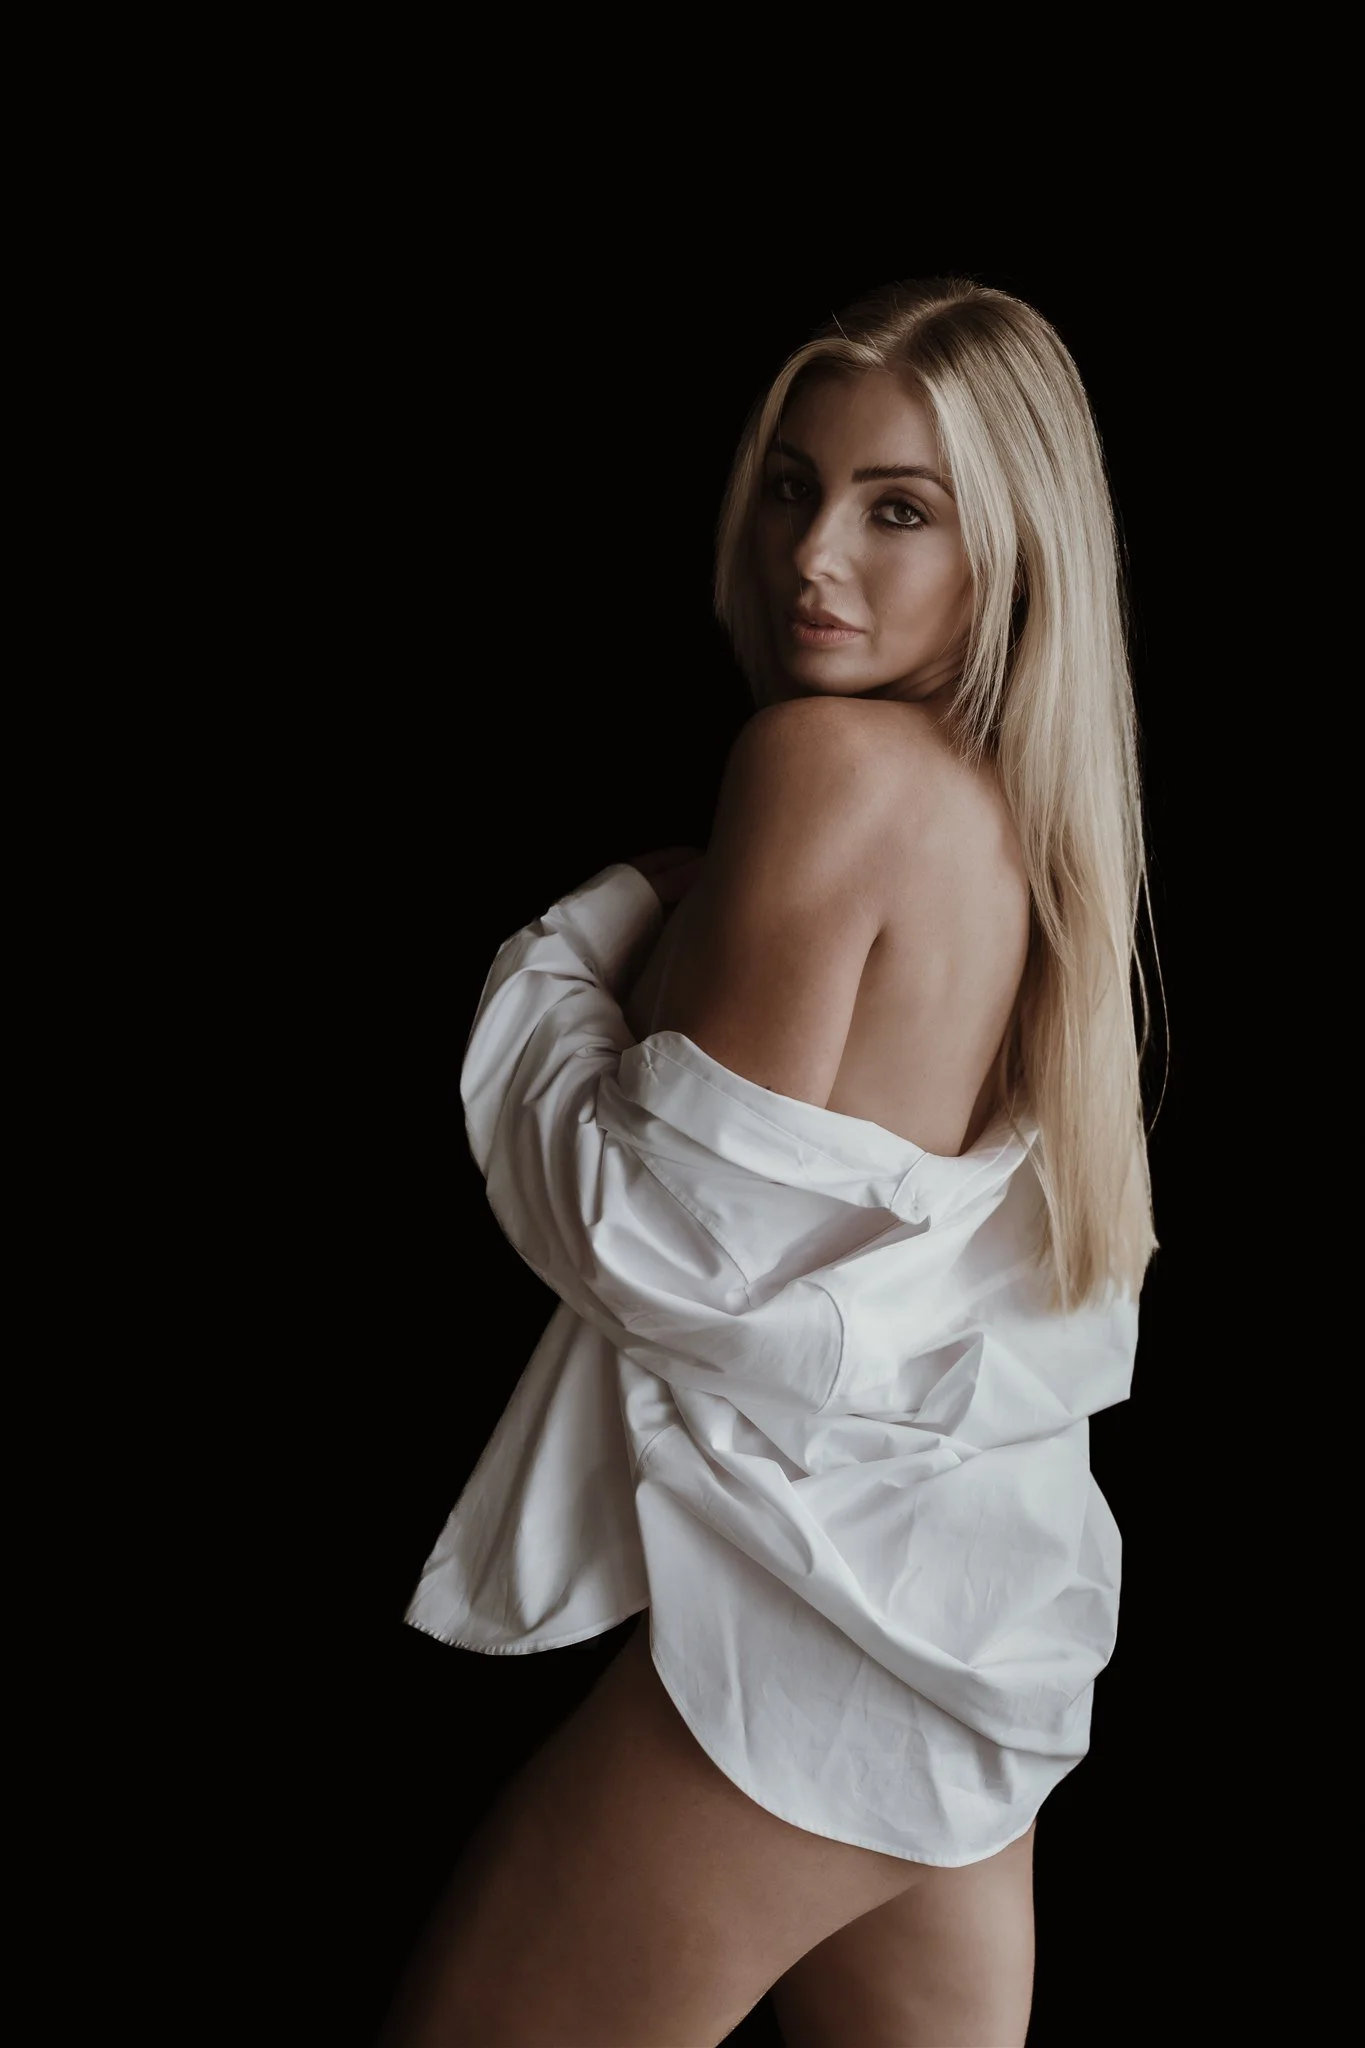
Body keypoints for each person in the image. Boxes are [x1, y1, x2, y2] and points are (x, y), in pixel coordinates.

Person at [378, 275, 1159, 2047]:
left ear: (1011, 550)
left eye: (901, 511)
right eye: (796, 486)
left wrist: (577, 949)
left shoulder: (823, 768)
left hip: (807, 1635)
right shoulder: (1033, 843)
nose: (818, 553)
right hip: (974, 1605)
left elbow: (646, 1236)